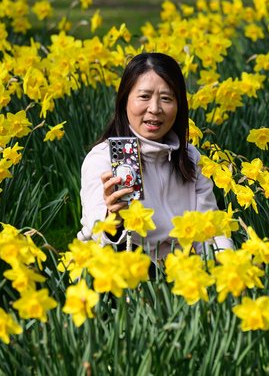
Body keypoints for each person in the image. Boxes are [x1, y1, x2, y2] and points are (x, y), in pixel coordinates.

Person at [77, 52, 234, 261]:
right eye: (144, 96)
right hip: (118, 272)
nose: (155, 109)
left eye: (166, 99)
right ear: (124, 100)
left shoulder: (190, 157)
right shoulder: (102, 159)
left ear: (179, 106)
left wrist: (229, 267)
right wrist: (112, 219)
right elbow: (97, 232)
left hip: (179, 274)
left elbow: (210, 228)